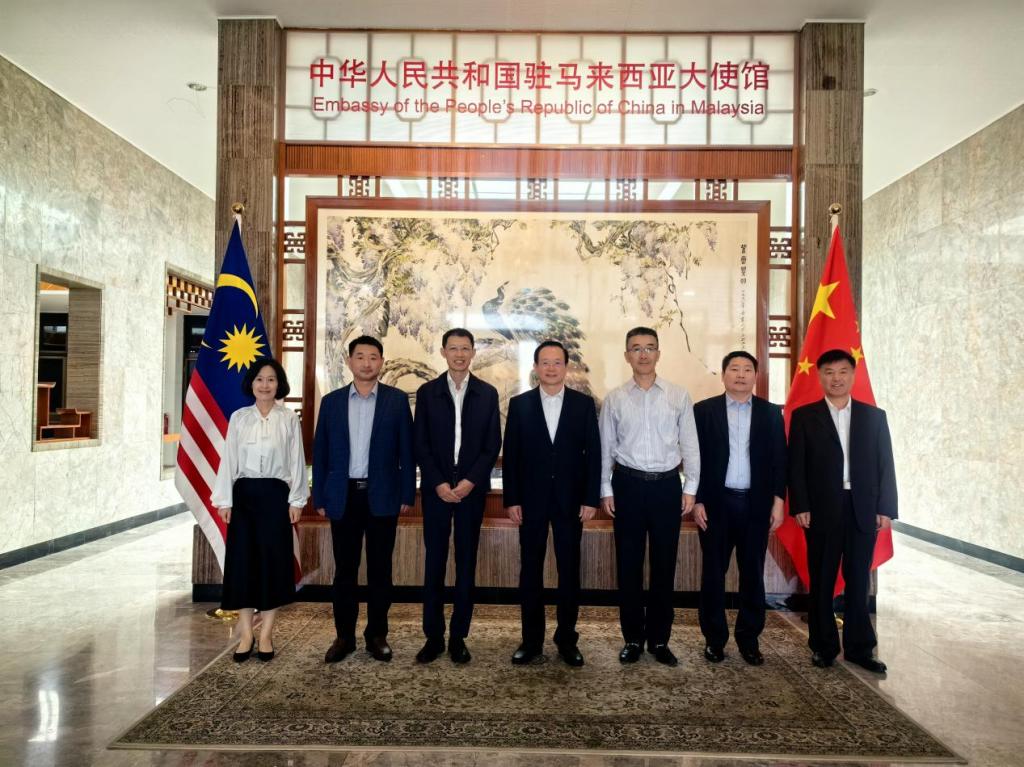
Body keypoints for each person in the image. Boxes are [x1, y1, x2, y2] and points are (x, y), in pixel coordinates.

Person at [788, 348, 897, 674]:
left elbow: (885, 464)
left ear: (853, 375)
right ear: (819, 376)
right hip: (821, 509)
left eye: (842, 372)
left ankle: (860, 648)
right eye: (829, 372)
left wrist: (886, 508)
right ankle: (823, 647)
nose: (836, 378)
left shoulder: (874, 417)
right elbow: (796, 466)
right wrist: (801, 505)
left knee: (859, 579)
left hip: (862, 508)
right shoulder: (805, 416)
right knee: (821, 579)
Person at [600, 326, 700, 666]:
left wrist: (690, 488)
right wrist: (605, 489)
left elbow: (690, 446)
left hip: (666, 487)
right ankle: (632, 638)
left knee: (664, 565)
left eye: (649, 347)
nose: (643, 354)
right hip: (627, 486)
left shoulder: (678, 396)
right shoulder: (615, 398)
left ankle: (659, 640)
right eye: (636, 348)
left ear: (659, 353)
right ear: (627, 355)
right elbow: (606, 448)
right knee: (628, 565)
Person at [312, 335, 416, 664]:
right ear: (350, 361)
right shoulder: (332, 402)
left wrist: (406, 493)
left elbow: (407, 451)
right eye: (360, 357)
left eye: (373, 357)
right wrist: (320, 495)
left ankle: (377, 635)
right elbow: (321, 451)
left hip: (382, 496)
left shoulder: (396, 401)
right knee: (345, 570)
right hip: (343, 496)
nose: (367, 363)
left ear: (381, 362)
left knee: (380, 570)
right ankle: (344, 637)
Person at [503, 340, 601, 667]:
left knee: (569, 571)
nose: (551, 368)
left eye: (557, 362)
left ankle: (566, 639)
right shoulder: (520, 405)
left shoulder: (583, 405)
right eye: (544, 362)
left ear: (566, 367)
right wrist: (512, 499)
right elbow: (511, 456)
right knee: (530, 570)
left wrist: (590, 498)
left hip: (571, 502)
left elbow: (594, 454)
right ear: (535, 367)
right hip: (530, 502)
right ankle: (531, 640)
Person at [413, 328, 501, 664]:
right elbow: (420, 442)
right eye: (453, 348)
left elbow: (491, 445)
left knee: (466, 564)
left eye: (465, 348)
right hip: (436, 491)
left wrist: (469, 481)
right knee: (434, 563)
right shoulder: (428, 392)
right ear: (443, 352)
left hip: (471, 492)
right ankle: (433, 637)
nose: (460, 354)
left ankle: (459, 637)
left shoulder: (487, 393)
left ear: (473, 353)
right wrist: (437, 482)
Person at [692, 351, 786, 665]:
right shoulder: (704, 411)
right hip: (715, 505)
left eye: (747, 369)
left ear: (755, 376)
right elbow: (694, 458)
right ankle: (714, 640)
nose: (741, 375)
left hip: (756, 505)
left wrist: (778, 501)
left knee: (752, 575)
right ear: (723, 375)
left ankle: (749, 639)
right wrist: (697, 499)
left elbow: (780, 460)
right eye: (734, 369)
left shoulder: (770, 413)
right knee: (713, 574)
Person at [211, 357, 307, 663]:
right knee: (243, 565)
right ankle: (246, 634)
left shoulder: (288, 419)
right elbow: (228, 460)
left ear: (279, 385)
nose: (265, 385)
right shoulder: (239, 418)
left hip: (276, 499)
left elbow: (297, 461)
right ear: (251, 383)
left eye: (271, 379)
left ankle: (265, 634)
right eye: (260, 379)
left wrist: (297, 500)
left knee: (272, 565)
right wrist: (225, 500)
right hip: (244, 498)